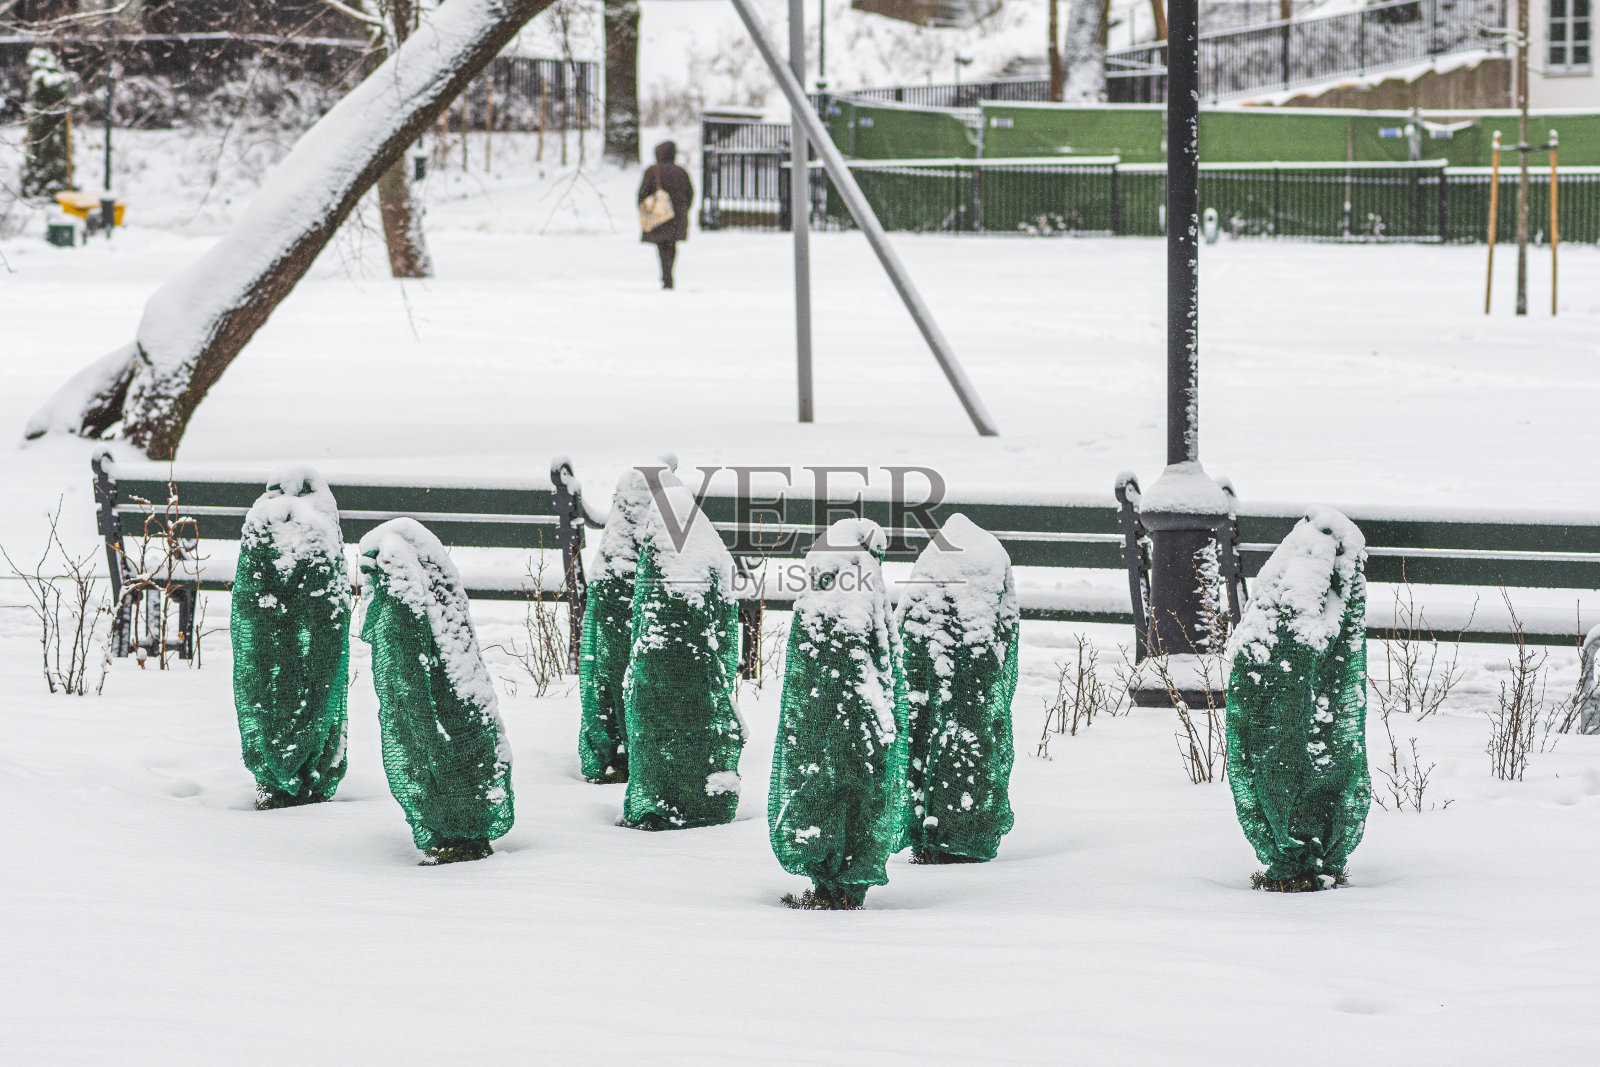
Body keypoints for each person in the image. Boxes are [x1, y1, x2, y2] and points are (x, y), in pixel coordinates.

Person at [639, 141, 693, 290]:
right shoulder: (681, 171)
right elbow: (690, 193)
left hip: (658, 216)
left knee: (662, 245)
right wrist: (683, 209)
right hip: (677, 215)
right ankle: (668, 273)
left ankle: (666, 273)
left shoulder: (652, 171)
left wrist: (647, 210)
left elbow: (642, 193)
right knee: (672, 245)